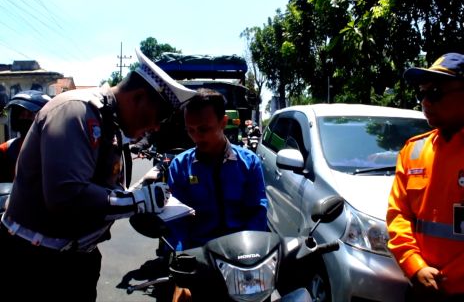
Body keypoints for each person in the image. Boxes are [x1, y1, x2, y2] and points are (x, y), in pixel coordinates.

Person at [0, 48, 196, 302]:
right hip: (37, 263)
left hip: (77, 259)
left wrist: (138, 191)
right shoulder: (77, 111)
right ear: (138, 98)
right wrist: (137, 202)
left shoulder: (108, 123)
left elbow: (105, 189)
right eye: (159, 116)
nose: (156, 127)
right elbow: (66, 196)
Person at [386, 52, 464, 302]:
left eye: (436, 92)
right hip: (420, 286)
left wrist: (448, 279)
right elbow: (398, 216)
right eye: (422, 93)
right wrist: (415, 267)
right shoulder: (412, 151)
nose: (425, 101)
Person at [167, 88, 268, 250]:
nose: (196, 137)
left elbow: (257, 212)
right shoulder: (179, 167)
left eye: (204, 129)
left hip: (242, 253)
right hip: (198, 258)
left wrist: (252, 251)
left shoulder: (249, 163)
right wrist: (180, 257)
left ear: (223, 122)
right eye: (190, 130)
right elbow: (177, 221)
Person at [0, 90, 51, 182]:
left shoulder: (57, 149)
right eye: (20, 112)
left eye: (30, 113)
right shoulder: (7, 149)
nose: (24, 117)